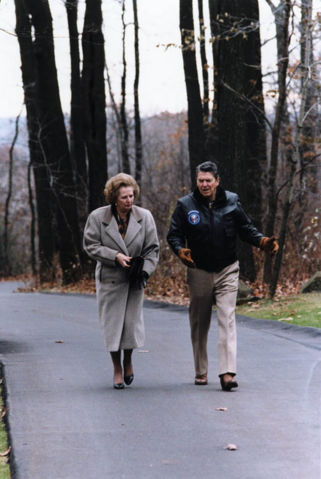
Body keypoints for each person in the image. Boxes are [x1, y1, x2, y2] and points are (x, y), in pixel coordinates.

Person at [167, 161, 278, 391]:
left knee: (227, 318)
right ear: (196, 181)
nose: (204, 184)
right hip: (199, 269)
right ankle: (201, 370)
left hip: (227, 268)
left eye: (209, 180)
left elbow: (245, 228)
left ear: (218, 181)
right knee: (199, 323)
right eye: (201, 180)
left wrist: (262, 241)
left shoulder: (231, 201)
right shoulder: (186, 205)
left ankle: (227, 373)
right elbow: (174, 234)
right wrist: (180, 250)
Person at [83, 173, 159, 389]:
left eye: (131, 196)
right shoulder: (98, 217)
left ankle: (128, 360)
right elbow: (90, 245)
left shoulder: (145, 217)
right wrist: (114, 256)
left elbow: (153, 248)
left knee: (130, 325)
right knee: (113, 326)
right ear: (114, 198)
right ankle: (116, 367)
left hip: (134, 279)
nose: (129, 200)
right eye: (124, 197)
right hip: (110, 279)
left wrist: (144, 270)